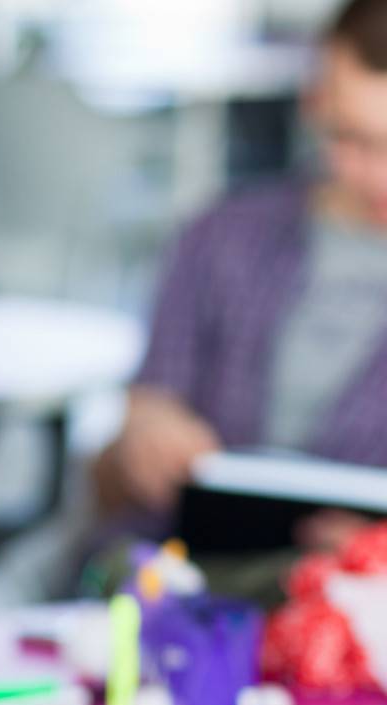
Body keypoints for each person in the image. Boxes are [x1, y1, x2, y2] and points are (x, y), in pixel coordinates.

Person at [96, 0, 387, 546]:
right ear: (316, 100)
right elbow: (129, 446)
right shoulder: (220, 238)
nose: (380, 177)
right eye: (353, 138)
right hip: (178, 579)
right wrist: (147, 435)